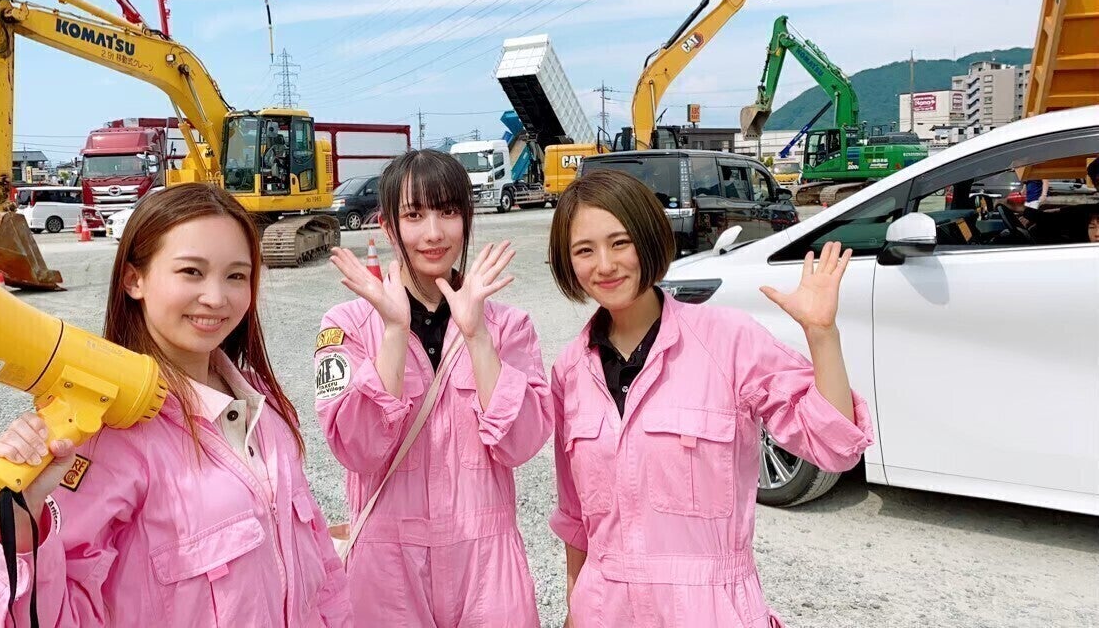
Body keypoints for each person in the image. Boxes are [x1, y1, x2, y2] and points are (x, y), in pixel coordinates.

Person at [0, 182, 353, 627]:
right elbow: (55, 615)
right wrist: (25, 518)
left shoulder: (261, 401)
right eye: (191, 271)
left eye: (236, 275)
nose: (217, 297)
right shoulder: (107, 434)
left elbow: (318, 566)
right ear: (134, 280)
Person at [546, 170, 873, 627]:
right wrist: (573, 610)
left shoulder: (727, 340)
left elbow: (834, 447)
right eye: (584, 250)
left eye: (620, 243)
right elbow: (575, 515)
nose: (604, 265)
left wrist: (822, 335)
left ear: (649, 239)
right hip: (604, 610)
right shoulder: (569, 370)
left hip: (710, 608)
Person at [317, 149, 552, 626]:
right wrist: (393, 332)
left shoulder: (508, 325)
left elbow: (521, 444)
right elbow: (356, 450)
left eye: (448, 212)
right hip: (387, 570)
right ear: (388, 227)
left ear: (466, 219)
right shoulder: (345, 326)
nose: (433, 233)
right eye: (414, 215)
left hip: (486, 566)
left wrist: (478, 336)